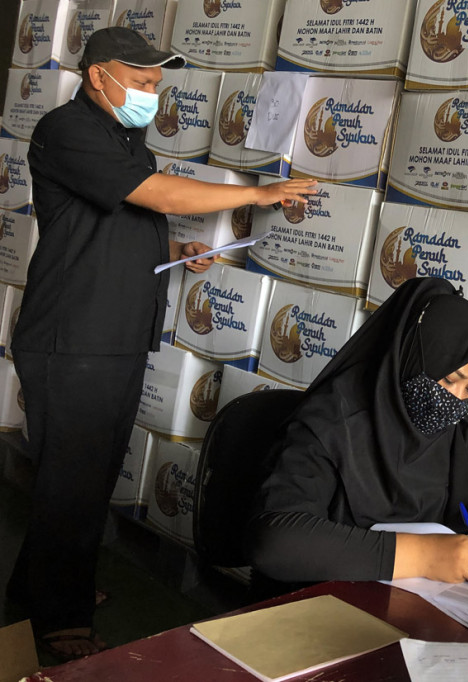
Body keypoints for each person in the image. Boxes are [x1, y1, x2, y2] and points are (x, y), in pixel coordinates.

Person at [7, 27, 316, 661]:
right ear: (98, 76)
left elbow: (113, 223)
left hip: (115, 333)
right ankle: (58, 619)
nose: (152, 93)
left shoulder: (125, 139)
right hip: (74, 335)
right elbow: (152, 194)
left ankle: (36, 587)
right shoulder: (67, 130)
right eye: (142, 81)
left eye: (156, 83)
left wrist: (174, 247)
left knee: (90, 474)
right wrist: (257, 192)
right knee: (72, 480)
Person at [246, 277, 468, 587]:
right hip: (321, 608)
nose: (454, 399)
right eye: (448, 380)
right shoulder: (328, 424)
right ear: (410, 358)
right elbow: (275, 541)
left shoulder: (460, 436)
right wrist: (421, 556)